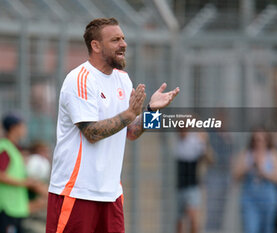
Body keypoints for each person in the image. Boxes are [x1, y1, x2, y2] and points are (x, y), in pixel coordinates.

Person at [46, 17, 179, 233]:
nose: (123, 44)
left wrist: (152, 112)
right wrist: (128, 114)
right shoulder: (79, 80)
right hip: (76, 193)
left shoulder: (123, 79)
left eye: (123, 38)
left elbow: (132, 132)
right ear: (96, 46)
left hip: (111, 195)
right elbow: (91, 132)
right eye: (115, 40)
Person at [0, 113, 47, 233]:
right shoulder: (5, 148)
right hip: (7, 208)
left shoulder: (16, 149)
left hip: (17, 208)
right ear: (13, 128)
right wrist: (25, 183)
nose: (25, 129)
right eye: (22, 126)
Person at [234, 129, 277, 233]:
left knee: (267, 229)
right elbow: (235, 175)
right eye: (256, 140)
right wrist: (249, 166)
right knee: (250, 229)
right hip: (250, 198)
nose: (259, 143)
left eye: (262, 140)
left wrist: (264, 172)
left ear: (267, 141)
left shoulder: (273, 154)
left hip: (268, 198)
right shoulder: (246, 154)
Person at [175, 130, 211, 233]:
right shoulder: (176, 143)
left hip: (192, 186)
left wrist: (205, 143)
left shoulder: (195, 143)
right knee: (180, 222)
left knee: (193, 217)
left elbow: (209, 159)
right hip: (179, 187)